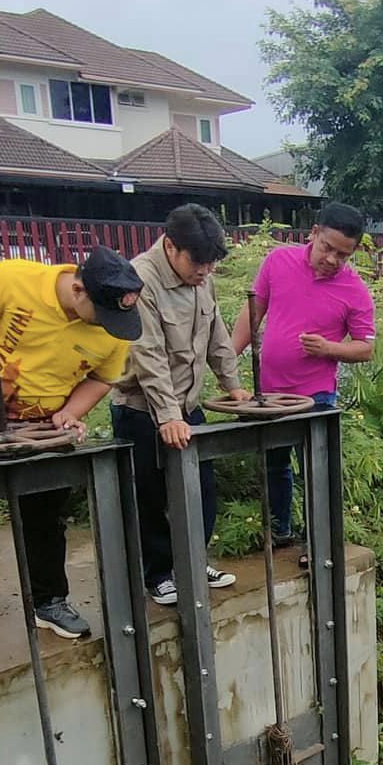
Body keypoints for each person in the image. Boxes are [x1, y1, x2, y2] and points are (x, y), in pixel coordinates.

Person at [0, 247, 145, 640]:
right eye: (105, 314)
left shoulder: (113, 330)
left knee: (45, 517)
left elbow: (101, 378)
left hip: (43, 428)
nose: (112, 326)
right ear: (78, 289)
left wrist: (72, 412)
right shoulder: (10, 279)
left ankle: (49, 602)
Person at [110, 204, 250, 607]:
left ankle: (192, 560)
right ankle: (158, 574)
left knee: (201, 491)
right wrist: (167, 417)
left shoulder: (202, 278)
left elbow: (217, 334)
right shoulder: (140, 280)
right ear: (171, 247)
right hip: (142, 409)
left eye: (210, 264)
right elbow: (148, 353)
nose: (205, 271)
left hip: (188, 406)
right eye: (198, 262)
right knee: (151, 497)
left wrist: (233, 385)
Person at [231, 201, 375, 545]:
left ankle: (318, 543)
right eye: (327, 248)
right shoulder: (278, 262)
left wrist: (329, 349)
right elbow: (252, 316)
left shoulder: (355, 291)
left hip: (317, 397)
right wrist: (226, 365)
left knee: (316, 472)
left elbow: (366, 347)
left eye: (343, 255)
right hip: (270, 392)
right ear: (313, 233)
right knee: (274, 466)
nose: (331, 260)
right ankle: (279, 531)